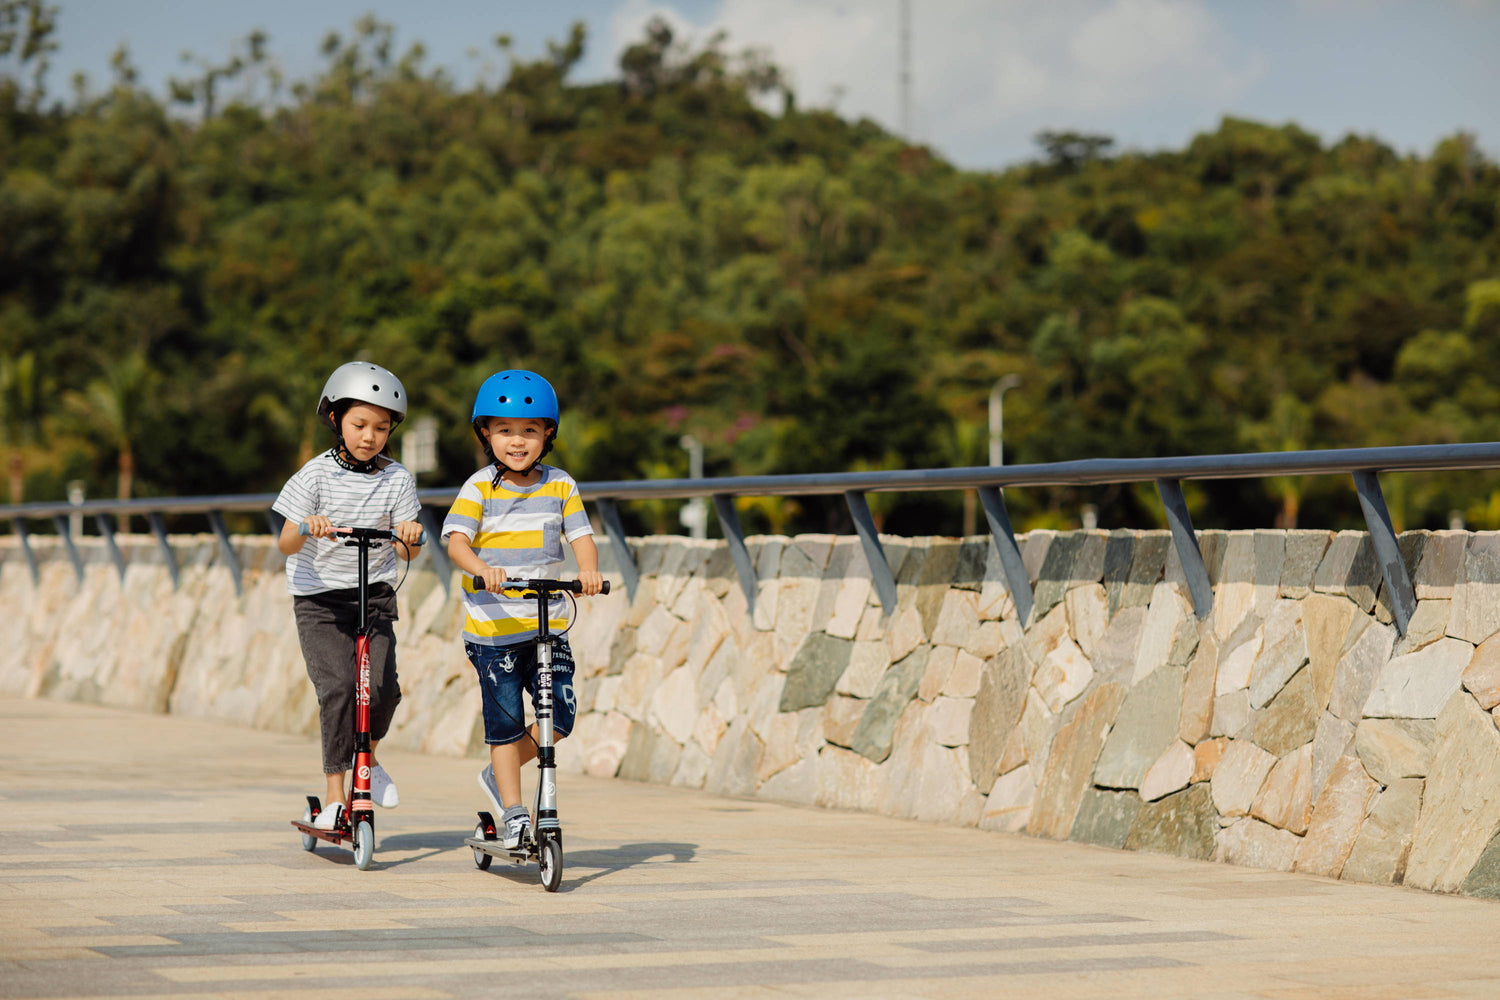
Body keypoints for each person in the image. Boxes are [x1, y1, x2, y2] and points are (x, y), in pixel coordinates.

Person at [442, 369, 603, 849]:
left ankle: (501, 770)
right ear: (486, 434)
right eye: (506, 431)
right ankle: (513, 812)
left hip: (549, 625)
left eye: (530, 430)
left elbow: (581, 537)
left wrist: (589, 570)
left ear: (548, 434)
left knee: (563, 716)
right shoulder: (478, 488)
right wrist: (481, 567)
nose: (518, 441)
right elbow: (456, 542)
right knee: (506, 721)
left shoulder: (561, 485)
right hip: (494, 631)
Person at [273, 361, 424, 831]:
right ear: (336, 419)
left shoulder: (397, 479)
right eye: (360, 425)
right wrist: (305, 526)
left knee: (382, 692)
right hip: (319, 600)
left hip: (375, 593)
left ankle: (369, 761)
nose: (370, 436)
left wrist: (410, 535)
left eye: (381, 428)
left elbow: (410, 552)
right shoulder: (313, 477)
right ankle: (336, 795)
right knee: (339, 690)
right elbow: (284, 543)